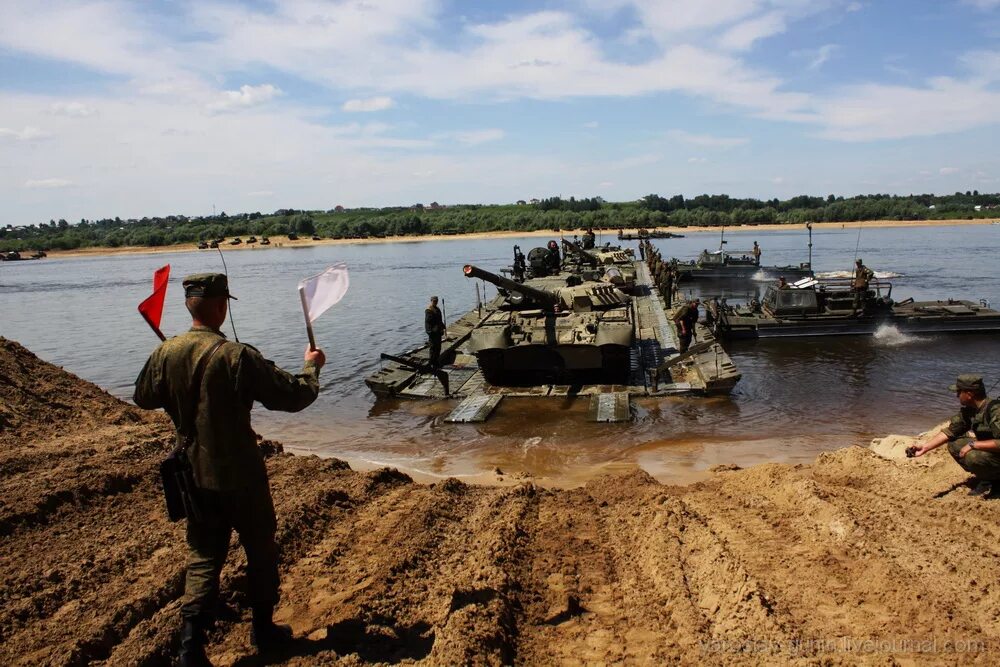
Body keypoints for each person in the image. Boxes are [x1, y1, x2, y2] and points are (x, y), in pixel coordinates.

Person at [134, 274, 326, 667]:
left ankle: (191, 648)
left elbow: (143, 396)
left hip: (193, 473)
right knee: (260, 548)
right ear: (221, 305)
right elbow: (293, 397)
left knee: (204, 554)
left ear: (189, 305)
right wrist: (312, 368)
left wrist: (174, 375)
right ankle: (264, 631)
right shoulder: (236, 356)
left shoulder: (166, 351)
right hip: (241, 473)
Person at [911, 375, 1000, 497]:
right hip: (994, 452)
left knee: (973, 456)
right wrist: (925, 448)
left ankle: (996, 482)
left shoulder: (995, 410)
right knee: (955, 444)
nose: (957, 395)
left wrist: (973, 444)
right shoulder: (971, 410)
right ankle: (987, 478)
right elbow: (951, 431)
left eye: (959, 392)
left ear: (969, 394)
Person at [425, 296, 446, 368]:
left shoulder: (437, 309)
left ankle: (436, 362)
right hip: (433, 332)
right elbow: (428, 322)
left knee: (438, 347)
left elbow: (439, 320)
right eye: (434, 301)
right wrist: (430, 331)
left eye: (436, 301)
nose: (435, 302)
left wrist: (443, 327)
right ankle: (431, 363)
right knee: (433, 348)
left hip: (438, 331)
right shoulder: (429, 310)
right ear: (431, 301)